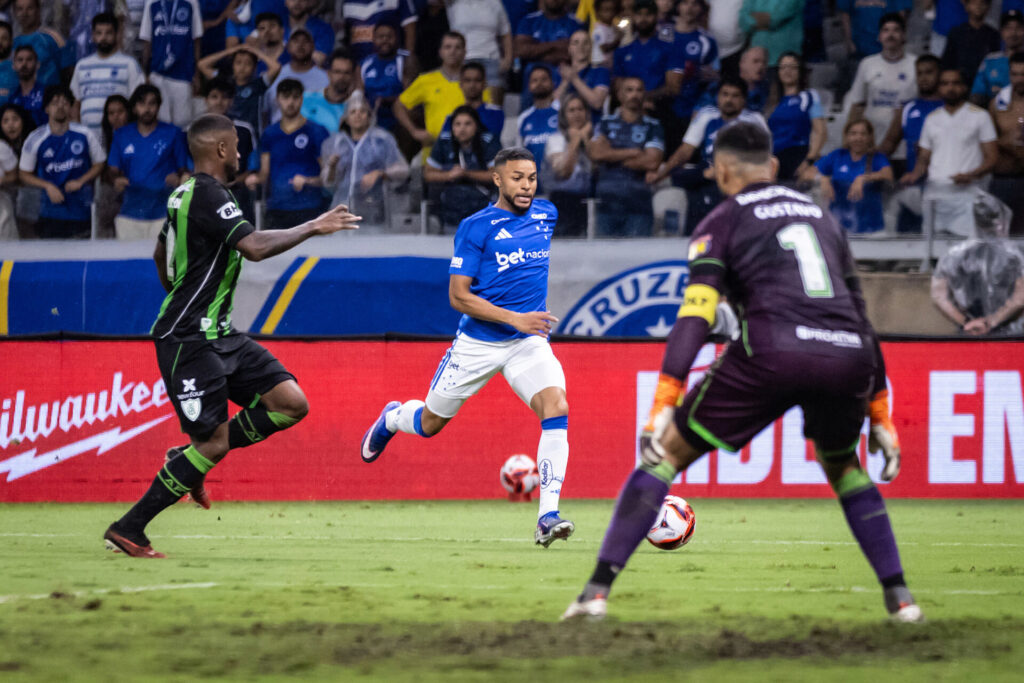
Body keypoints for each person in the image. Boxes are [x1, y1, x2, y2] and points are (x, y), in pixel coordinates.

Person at [561, 120, 922, 624]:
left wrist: (664, 401)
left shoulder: (722, 220)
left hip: (772, 351)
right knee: (844, 466)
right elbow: (861, 316)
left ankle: (595, 593)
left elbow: (696, 314)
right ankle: (901, 600)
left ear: (721, 171)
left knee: (665, 454)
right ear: (772, 166)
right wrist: (879, 411)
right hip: (848, 356)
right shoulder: (823, 219)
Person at [102, 113, 361, 559]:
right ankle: (129, 528)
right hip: (189, 338)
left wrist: (181, 293)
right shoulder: (209, 193)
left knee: (290, 403)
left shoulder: (184, 193)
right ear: (221, 149)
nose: (241, 154)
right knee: (214, 443)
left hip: (221, 334)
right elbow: (254, 247)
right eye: (237, 146)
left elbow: (160, 252)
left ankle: (186, 458)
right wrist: (313, 226)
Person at [361, 146, 574, 547]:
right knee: (429, 424)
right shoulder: (476, 227)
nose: (526, 186)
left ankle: (548, 516)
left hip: (527, 343)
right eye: (516, 178)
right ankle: (393, 417)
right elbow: (458, 297)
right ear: (497, 179)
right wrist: (515, 318)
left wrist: (523, 325)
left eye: (531, 178)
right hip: (479, 344)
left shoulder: (547, 214)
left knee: (556, 407)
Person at [654, 78, 767, 230]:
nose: (729, 100)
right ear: (718, 97)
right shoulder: (707, 115)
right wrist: (661, 173)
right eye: (725, 94)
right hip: (707, 170)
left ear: (743, 100)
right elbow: (685, 151)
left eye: (735, 96)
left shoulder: (754, 120)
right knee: (690, 179)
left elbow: (762, 157)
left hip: (739, 171)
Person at [901, 68, 998, 237]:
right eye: (945, 84)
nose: (950, 88)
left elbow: (992, 158)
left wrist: (971, 175)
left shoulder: (980, 116)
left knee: (967, 247)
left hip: (968, 195)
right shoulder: (932, 119)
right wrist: (914, 175)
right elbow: (924, 157)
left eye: (955, 83)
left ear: (964, 87)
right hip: (935, 195)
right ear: (939, 88)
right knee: (931, 247)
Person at [18, 86, 106, 239]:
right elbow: (24, 173)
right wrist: (48, 186)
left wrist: (81, 181)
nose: (60, 106)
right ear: (46, 109)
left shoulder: (85, 134)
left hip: (80, 210)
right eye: (55, 103)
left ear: (71, 108)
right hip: (49, 211)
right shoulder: (35, 138)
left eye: (65, 103)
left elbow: (100, 163)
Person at [931, 191, 1024, 334]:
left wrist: (967, 322)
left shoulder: (952, 255)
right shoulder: (1015, 255)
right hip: (1009, 336)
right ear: (1002, 218)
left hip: (969, 333)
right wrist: (992, 322)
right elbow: (1020, 298)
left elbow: (938, 297)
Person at [108, 85, 192, 241]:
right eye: (142, 103)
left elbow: (183, 169)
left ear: (159, 106)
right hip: (129, 212)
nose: (147, 109)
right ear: (134, 108)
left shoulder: (173, 133)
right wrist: (116, 180)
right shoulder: (121, 135)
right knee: (128, 256)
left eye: (152, 103)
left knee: (164, 257)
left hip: (164, 212)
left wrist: (181, 178)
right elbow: (112, 170)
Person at [588, 76, 664, 236]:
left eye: (639, 90)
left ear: (644, 94)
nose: (634, 94)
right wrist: (634, 152)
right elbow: (596, 153)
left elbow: (652, 162)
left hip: (639, 204)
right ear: (620, 95)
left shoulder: (653, 125)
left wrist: (611, 155)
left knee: (639, 252)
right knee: (604, 252)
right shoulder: (605, 123)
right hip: (606, 203)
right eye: (629, 90)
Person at [321, 91, 409, 226]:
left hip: (375, 210)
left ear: (369, 116)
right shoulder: (336, 143)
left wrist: (381, 173)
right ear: (346, 118)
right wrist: (332, 167)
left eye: (362, 111)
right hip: (342, 212)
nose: (358, 115)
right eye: (353, 112)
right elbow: (329, 184)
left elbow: (403, 170)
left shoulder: (382, 140)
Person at [878, 54, 943, 233]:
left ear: (940, 74)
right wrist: (869, 162)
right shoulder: (907, 108)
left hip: (943, 185)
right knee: (908, 239)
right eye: (919, 73)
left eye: (929, 72)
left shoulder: (950, 107)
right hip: (913, 185)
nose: (924, 78)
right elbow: (889, 144)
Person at [257, 78, 331, 229]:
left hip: (310, 208)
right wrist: (253, 179)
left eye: (295, 97)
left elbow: (329, 177)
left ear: (302, 99)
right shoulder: (270, 134)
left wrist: (308, 181)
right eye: (286, 97)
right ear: (277, 99)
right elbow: (264, 174)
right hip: (277, 209)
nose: (290, 102)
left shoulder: (317, 131)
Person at [804, 119, 894, 234]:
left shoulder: (876, 157)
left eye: (863, 134)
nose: (858, 138)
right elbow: (807, 174)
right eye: (853, 133)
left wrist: (862, 178)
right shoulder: (838, 155)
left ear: (870, 137)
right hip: (839, 223)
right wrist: (823, 178)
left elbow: (888, 174)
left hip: (870, 227)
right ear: (846, 136)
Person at [846, 13, 917, 149]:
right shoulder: (867, 64)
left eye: (896, 30)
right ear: (879, 36)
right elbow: (857, 104)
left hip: (904, 142)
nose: (891, 35)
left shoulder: (915, 64)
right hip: (871, 142)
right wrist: (848, 143)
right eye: (886, 30)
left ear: (904, 36)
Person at [70, 13, 147, 138]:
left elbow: (139, 102)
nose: (103, 38)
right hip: (88, 138)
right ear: (93, 36)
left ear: (117, 35)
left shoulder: (129, 64)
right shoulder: (81, 66)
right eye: (99, 33)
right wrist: (78, 132)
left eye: (108, 33)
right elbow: (75, 104)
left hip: (120, 137)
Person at [395, 31, 468, 161]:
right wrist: (414, 131)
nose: (453, 51)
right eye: (448, 47)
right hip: (434, 153)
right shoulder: (426, 80)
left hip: (467, 153)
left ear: (464, 52)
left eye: (457, 47)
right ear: (440, 52)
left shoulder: (473, 81)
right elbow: (398, 106)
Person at [425, 104, 501, 229]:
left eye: (467, 124)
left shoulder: (488, 141)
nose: (462, 128)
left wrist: (466, 174)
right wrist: (448, 175)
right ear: (452, 127)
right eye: (457, 124)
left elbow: (497, 175)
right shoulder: (444, 141)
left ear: (476, 126)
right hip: (450, 210)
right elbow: (428, 174)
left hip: (483, 211)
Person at [140, 0, 204, 128]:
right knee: (160, 120)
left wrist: (196, 74)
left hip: (183, 73)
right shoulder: (151, 3)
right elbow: (147, 40)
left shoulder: (191, 2)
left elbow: (196, 39)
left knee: (183, 121)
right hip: (158, 72)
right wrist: (145, 73)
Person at [205, 78, 261, 223]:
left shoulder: (244, 130)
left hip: (238, 193)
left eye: (225, 97)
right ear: (206, 100)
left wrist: (234, 182)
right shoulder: (193, 132)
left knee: (245, 233)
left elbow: (253, 167)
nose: (219, 102)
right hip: (204, 194)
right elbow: (189, 169)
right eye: (214, 97)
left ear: (232, 101)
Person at [765, 52, 826, 182]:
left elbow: (820, 131)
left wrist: (809, 160)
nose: (787, 71)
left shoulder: (809, 96)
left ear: (800, 71)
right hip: (774, 160)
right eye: (783, 67)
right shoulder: (773, 102)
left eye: (792, 67)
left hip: (798, 156)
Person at [198, 43, 282, 133]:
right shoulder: (225, 81)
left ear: (254, 68)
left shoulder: (259, 84)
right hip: (227, 131)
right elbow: (202, 64)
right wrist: (230, 51)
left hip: (252, 134)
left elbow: (276, 67)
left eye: (248, 63)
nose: (242, 67)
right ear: (232, 65)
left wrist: (255, 51)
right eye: (238, 62)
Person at [541, 92, 592, 236]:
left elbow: (596, 168)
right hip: (562, 201)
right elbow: (564, 172)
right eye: (571, 110)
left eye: (580, 109)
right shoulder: (556, 140)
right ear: (564, 115)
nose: (577, 114)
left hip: (588, 200)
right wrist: (575, 141)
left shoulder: (594, 138)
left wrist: (585, 140)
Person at [515, 0, 582, 107]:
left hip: (562, 72)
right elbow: (521, 50)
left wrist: (536, 51)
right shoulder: (529, 20)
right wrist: (556, 45)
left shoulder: (575, 23)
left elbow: (571, 54)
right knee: (534, 72)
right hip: (533, 72)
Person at [446, 0, 513, 103]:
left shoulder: (495, 3)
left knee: (492, 104)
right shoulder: (454, 3)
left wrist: (508, 58)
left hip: (491, 59)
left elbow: (505, 32)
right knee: (461, 103)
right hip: (463, 60)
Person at [989, 52, 1024, 233]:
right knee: (1000, 236)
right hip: (1004, 180)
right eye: (1015, 74)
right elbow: (988, 143)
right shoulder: (997, 104)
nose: (1020, 79)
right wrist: (1006, 141)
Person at [265, 28, 329, 123]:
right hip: (279, 130)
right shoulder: (275, 75)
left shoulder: (325, 78)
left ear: (313, 46)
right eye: (295, 41)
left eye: (305, 41)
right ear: (288, 46)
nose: (300, 45)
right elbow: (264, 111)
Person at [360, 23, 413, 133]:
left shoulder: (405, 61)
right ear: (373, 39)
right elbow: (358, 95)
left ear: (396, 38)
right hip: (369, 121)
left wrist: (388, 100)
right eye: (381, 37)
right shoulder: (365, 63)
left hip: (398, 123)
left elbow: (412, 99)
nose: (385, 40)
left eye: (389, 36)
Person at [552, 30, 609, 123]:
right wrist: (565, 81)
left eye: (585, 43)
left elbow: (597, 103)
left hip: (593, 125)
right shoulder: (559, 72)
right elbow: (553, 106)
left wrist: (574, 79)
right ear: (569, 48)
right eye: (576, 43)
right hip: (564, 126)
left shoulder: (601, 71)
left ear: (591, 47)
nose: (580, 47)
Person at [11, 0, 71, 87]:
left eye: (30, 8)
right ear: (14, 12)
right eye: (20, 9)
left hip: (50, 93)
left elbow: (68, 70)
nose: (24, 13)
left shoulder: (53, 38)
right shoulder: (12, 43)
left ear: (38, 10)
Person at [941, 0, 1001, 88]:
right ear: (966, 6)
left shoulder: (993, 34)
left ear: (988, 7)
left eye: (982, 3)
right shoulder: (957, 33)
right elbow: (948, 61)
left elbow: (995, 61)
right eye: (974, 3)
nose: (978, 6)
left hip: (985, 83)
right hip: (959, 83)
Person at [95, 94, 131, 238]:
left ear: (128, 112)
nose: (116, 116)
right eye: (111, 113)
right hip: (111, 188)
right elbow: (101, 167)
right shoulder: (102, 137)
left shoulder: (138, 134)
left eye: (120, 111)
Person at [971, 10, 1024, 106]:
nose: (1013, 33)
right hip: (993, 111)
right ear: (1001, 32)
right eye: (1008, 28)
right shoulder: (990, 61)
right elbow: (977, 93)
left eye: (1018, 28)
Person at [301, 50, 361, 133]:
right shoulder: (306, 99)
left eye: (347, 73)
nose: (342, 77)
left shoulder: (355, 109)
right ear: (329, 73)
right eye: (337, 72)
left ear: (352, 76)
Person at [342, 0, 419, 62]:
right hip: (358, 61)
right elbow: (347, 34)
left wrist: (409, 56)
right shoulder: (347, 2)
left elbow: (410, 25)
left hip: (391, 62)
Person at [441, 62, 505, 136]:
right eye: (467, 80)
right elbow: (444, 142)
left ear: (485, 84)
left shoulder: (497, 114)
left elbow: (495, 140)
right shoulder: (452, 117)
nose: (472, 85)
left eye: (477, 80)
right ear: (460, 84)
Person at [516, 64, 559, 169]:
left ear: (553, 83)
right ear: (529, 86)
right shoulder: (523, 118)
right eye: (535, 80)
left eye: (544, 79)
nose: (539, 83)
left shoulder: (563, 112)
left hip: (560, 176)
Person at [837, 0, 912, 59]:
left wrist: (899, 39)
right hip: (859, 46)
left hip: (887, 46)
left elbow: (901, 14)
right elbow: (845, 14)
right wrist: (849, 41)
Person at [738, 0, 803, 67]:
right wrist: (763, 19)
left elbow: (774, 18)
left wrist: (751, 19)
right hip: (757, 58)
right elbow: (743, 21)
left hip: (783, 59)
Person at [282, 0, 335, 65]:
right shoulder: (278, 25)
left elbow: (318, 59)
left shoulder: (324, 29)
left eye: (302, 0)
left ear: (308, 2)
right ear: (286, 2)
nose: (297, 3)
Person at [10, 45, 44, 126]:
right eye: (20, 60)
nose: (24, 64)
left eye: (29, 59)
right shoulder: (12, 98)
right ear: (13, 66)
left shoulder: (46, 94)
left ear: (37, 64)